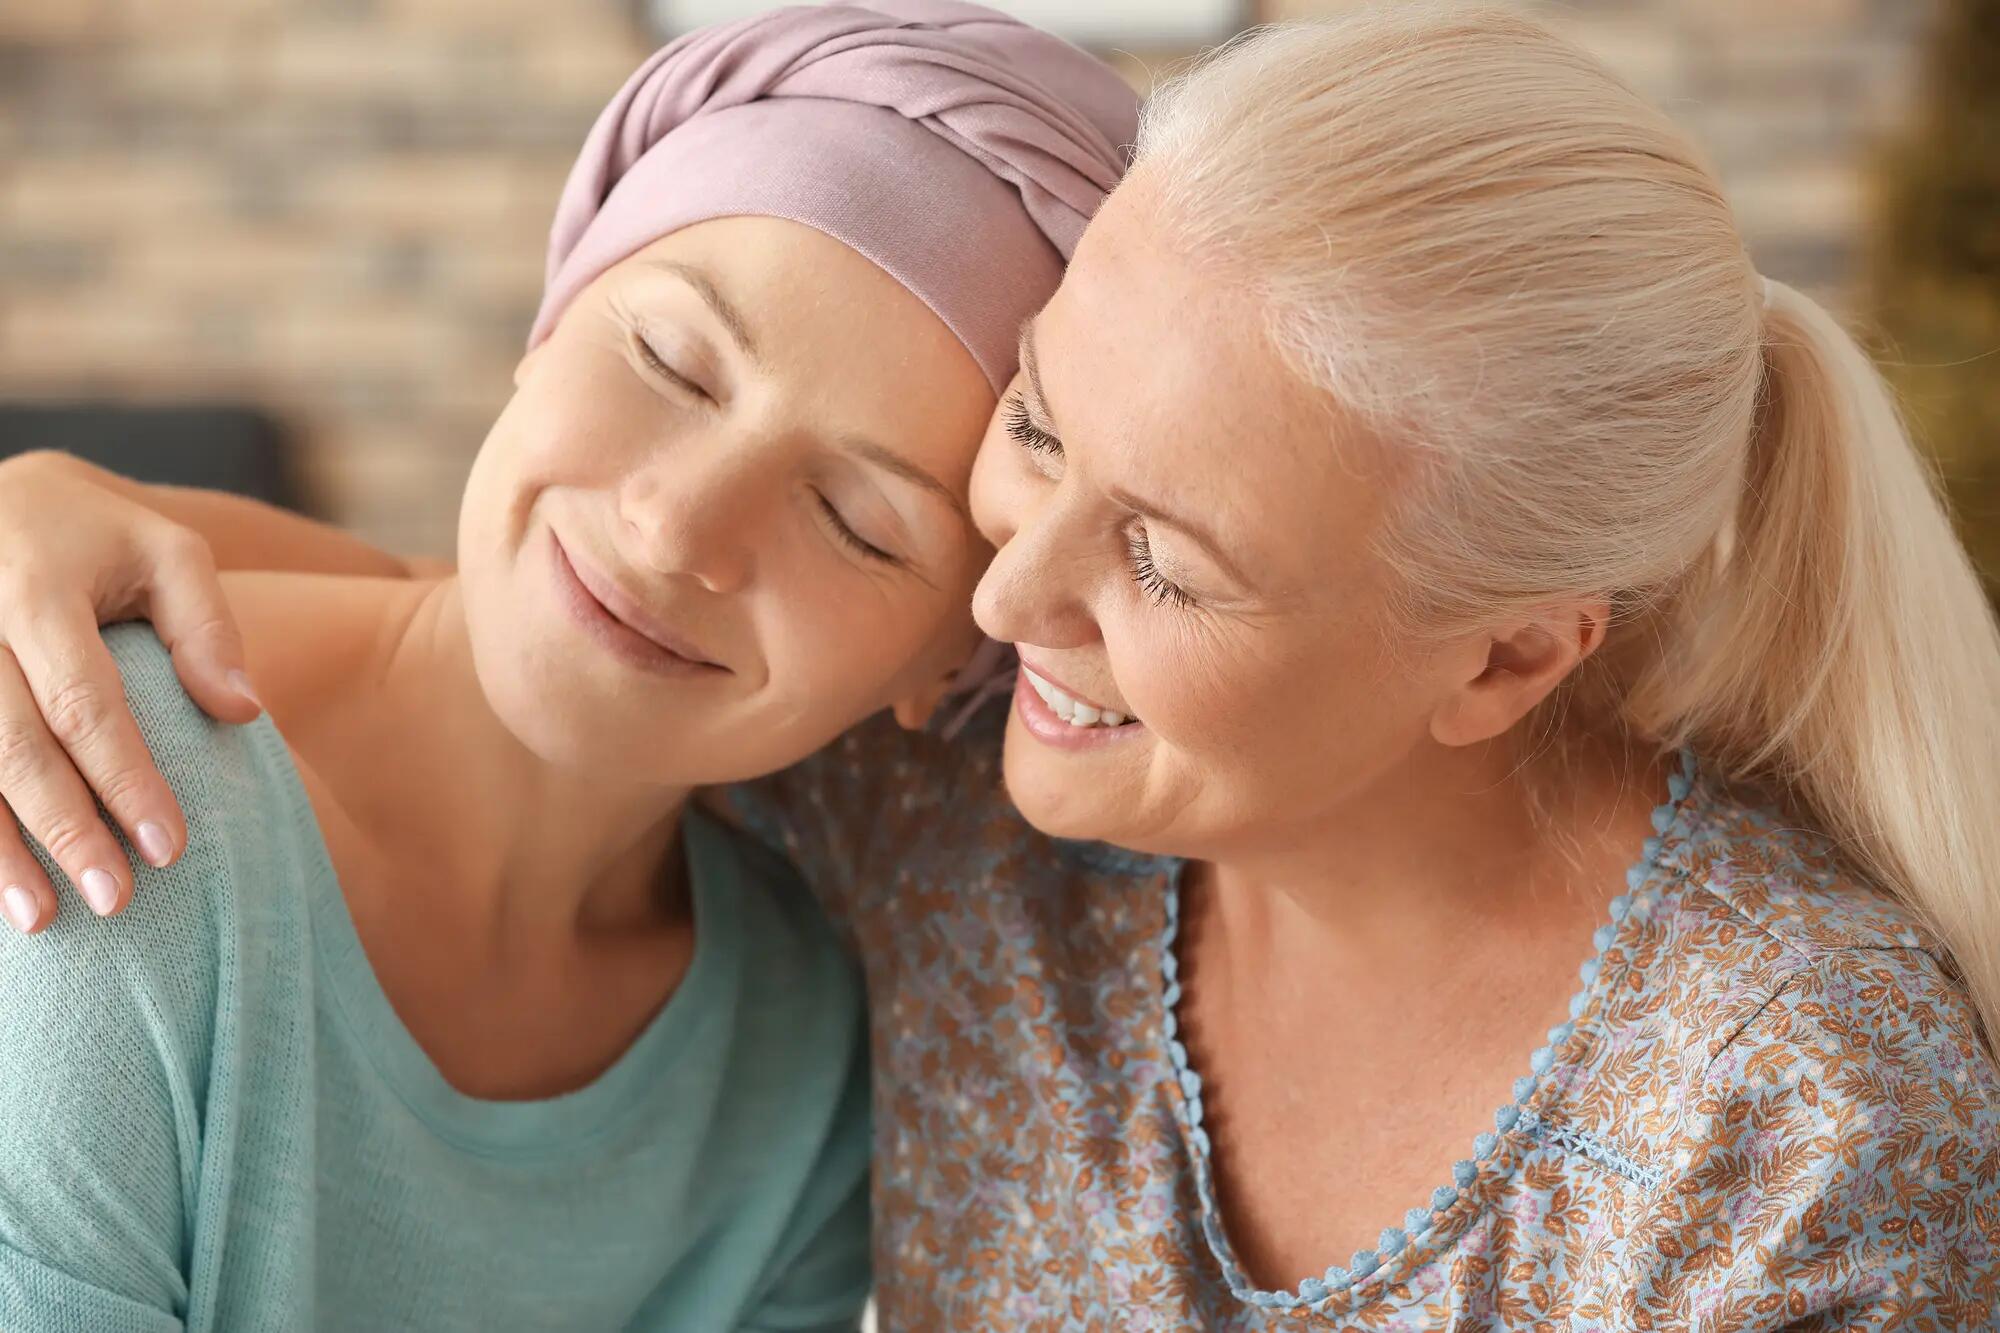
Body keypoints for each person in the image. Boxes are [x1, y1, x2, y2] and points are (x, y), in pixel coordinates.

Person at [4, 6, 1997, 1329]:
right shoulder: (969, 804)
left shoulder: (1793, 1112)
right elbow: (548, 629)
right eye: (1036, 434)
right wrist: (52, 517)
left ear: (1502, 663)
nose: (1007, 592)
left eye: (1167, 558)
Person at [0, 2, 1135, 1328]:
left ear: (949, 666)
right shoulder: (95, 794)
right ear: (548, 323)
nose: (676, 528)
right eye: (665, 358)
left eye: (856, 520)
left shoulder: (795, 1061)